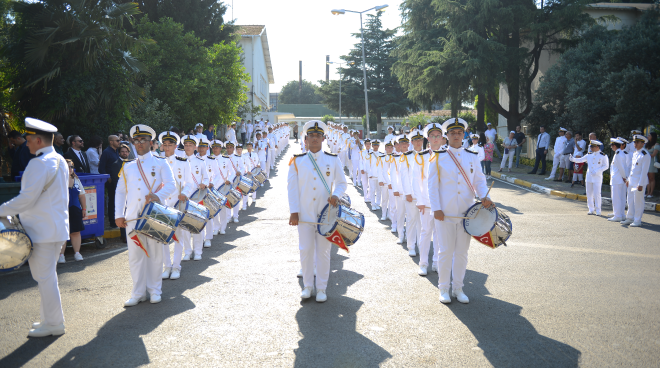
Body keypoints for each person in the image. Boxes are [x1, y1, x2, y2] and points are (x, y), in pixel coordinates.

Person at [0, 118, 69, 337]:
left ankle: (55, 323)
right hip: (54, 229)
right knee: (46, 277)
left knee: (45, 278)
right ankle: (49, 319)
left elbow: (26, 199)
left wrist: (1, 209)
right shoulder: (59, 160)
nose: (27, 144)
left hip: (42, 231)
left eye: (29, 140)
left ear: (38, 140)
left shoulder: (39, 164)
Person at [428, 117, 493, 304]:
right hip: (445, 214)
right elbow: (431, 186)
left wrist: (485, 197)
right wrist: (436, 209)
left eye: (459, 133)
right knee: (445, 251)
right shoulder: (438, 156)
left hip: (467, 214)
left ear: (463, 134)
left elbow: (479, 181)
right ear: (446, 136)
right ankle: (443, 288)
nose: (456, 136)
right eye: (452, 133)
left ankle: (458, 288)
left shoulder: (472, 156)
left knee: (462, 253)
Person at [115, 124, 176, 307]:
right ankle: (138, 293)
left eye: (143, 140)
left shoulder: (160, 162)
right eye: (136, 141)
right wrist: (119, 214)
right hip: (133, 217)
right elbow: (120, 192)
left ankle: (155, 290)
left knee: (156, 255)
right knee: (135, 255)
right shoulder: (128, 167)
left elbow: (171, 184)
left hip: (154, 216)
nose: (139, 144)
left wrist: (158, 196)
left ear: (151, 143)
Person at [288, 120, 347, 303]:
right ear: (305, 139)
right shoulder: (297, 161)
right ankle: (307, 286)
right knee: (305, 250)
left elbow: (342, 183)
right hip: (304, 215)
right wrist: (294, 211)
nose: (314, 139)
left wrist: (336, 195)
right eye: (311, 136)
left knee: (323, 252)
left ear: (323, 138)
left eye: (318, 136)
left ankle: (321, 288)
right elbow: (292, 188)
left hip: (325, 216)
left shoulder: (332, 159)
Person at [158, 131, 194, 280]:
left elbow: (189, 183)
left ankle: (176, 267)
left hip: (178, 203)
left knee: (178, 236)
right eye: (165, 145)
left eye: (170, 145)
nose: (167, 148)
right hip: (162, 203)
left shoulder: (182, 162)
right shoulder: (157, 161)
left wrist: (185, 193)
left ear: (175, 146)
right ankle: (167, 266)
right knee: (164, 237)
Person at [413, 122, 444, 275]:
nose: (435, 139)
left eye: (438, 136)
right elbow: (416, 180)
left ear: (443, 137)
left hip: (442, 203)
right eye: (432, 136)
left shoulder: (447, 155)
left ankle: (437, 263)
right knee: (425, 232)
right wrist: (419, 201)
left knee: (439, 234)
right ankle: (423, 263)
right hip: (426, 201)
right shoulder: (421, 156)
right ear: (428, 138)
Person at [179, 134, 210, 256]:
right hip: (183, 197)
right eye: (186, 145)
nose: (188, 147)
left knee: (197, 224)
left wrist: (204, 183)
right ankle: (187, 251)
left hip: (196, 197)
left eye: (190, 145)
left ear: (195, 147)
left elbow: (206, 178)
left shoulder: (200, 162)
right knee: (185, 226)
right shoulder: (179, 161)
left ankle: (197, 251)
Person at [569, 140, 609, 216]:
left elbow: (606, 166)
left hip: (597, 177)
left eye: (592, 146)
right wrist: (573, 159)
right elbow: (581, 160)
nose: (590, 148)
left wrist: (597, 171)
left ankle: (598, 210)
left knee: (597, 194)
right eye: (590, 146)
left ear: (597, 147)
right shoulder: (589, 154)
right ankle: (591, 209)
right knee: (589, 193)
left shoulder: (603, 155)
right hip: (589, 177)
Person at [58, 159, 86, 263]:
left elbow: (82, 195)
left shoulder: (77, 180)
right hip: (62, 211)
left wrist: (84, 208)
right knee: (63, 232)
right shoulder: (57, 180)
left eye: (71, 167)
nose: (70, 169)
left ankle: (77, 253)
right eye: (67, 167)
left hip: (75, 210)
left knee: (75, 232)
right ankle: (61, 255)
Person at [621, 135, 651, 227]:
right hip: (632, 181)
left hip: (639, 182)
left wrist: (641, 184)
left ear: (643, 143)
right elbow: (632, 169)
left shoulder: (645, 155)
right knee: (630, 200)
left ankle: (637, 220)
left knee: (638, 201)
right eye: (634, 142)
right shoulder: (635, 153)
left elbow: (644, 171)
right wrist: (628, 179)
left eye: (637, 142)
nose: (635, 144)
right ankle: (630, 218)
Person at [99, 135, 121, 228]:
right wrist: (108, 177)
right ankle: (112, 222)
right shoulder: (106, 152)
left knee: (118, 201)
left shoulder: (117, 152)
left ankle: (117, 219)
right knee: (112, 201)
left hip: (119, 180)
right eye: (117, 140)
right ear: (111, 142)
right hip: (111, 181)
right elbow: (101, 167)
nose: (119, 142)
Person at [110, 145, 130, 242]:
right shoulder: (115, 164)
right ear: (119, 153)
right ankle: (123, 235)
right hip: (120, 192)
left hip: (130, 193)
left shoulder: (132, 163)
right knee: (122, 213)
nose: (124, 153)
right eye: (122, 151)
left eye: (126, 151)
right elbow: (115, 180)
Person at [608, 138, 628, 222]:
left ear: (615, 145)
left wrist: (624, 177)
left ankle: (617, 215)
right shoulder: (622, 153)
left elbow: (621, 168)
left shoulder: (618, 154)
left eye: (612, 145)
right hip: (621, 179)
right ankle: (621, 214)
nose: (611, 147)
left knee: (616, 198)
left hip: (617, 179)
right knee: (622, 197)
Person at [645, 132, 658, 198]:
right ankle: (648, 192)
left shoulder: (656, 145)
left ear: (653, 137)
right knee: (647, 178)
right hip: (646, 162)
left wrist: (646, 155)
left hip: (652, 163)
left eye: (649, 135)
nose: (648, 136)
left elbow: (653, 155)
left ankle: (651, 193)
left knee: (652, 178)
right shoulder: (647, 144)